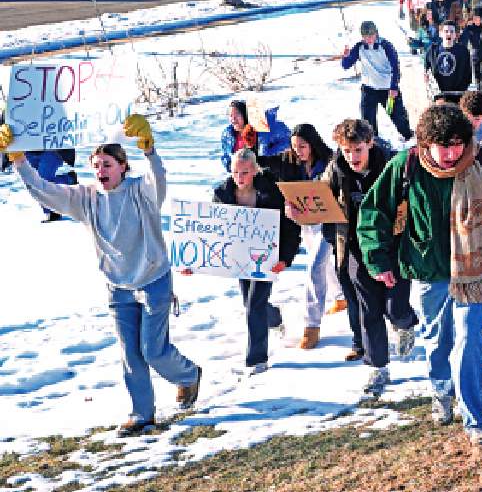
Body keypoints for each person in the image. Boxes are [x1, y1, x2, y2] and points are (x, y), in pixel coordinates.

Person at [357, 105, 482, 444]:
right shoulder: (404, 167)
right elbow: (374, 212)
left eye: (457, 143)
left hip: (474, 267)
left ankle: (476, 418)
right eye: (442, 145)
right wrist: (379, 260)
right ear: (425, 143)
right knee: (438, 340)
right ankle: (440, 388)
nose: (451, 153)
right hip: (428, 268)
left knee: (469, 339)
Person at [0, 116, 202, 435]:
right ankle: (141, 414)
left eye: (107, 164)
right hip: (118, 287)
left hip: (153, 281)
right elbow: (44, 192)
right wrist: (20, 160)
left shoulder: (141, 192)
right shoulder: (87, 198)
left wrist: (149, 150)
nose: (100, 170)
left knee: (153, 350)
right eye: (96, 165)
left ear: (122, 166)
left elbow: (157, 181)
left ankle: (188, 375)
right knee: (130, 354)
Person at [306, 119, 417, 389]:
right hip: (355, 248)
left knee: (395, 306)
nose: (352, 157)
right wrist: (300, 213)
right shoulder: (335, 170)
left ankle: (404, 323)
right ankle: (377, 367)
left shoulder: (391, 165)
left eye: (358, 150)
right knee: (369, 311)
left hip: (393, 245)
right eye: (347, 151)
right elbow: (318, 204)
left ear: (369, 144)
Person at [213, 149, 300, 374]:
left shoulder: (272, 192)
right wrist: (194, 262)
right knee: (250, 304)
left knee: (254, 305)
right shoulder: (222, 194)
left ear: (254, 170)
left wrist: (285, 259)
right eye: (234, 172)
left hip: (266, 257)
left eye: (244, 172)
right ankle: (274, 317)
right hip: (240, 258)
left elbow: (290, 228)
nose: (239, 177)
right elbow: (210, 230)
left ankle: (257, 359)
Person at [258, 124, 343, 350]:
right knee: (323, 264)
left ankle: (311, 325)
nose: (298, 151)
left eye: (302, 146)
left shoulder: (329, 161)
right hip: (302, 222)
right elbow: (260, 163)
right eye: (294, 146)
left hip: (328, 222)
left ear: (312, 144)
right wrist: (251, 142)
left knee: (315, 266)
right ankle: (340, 295)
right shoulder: (287, 161)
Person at [340, 22, 413, 143]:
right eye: (365, 36)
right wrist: (346, 57)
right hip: (368, 89)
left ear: (376, 33)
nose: (368, 39)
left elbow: (395, 67)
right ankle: (373, 144)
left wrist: (394, 86)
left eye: (371, 35)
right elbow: (346, 65)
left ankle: (409, 137)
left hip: (387, 90)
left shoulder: (386, 46)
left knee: (398, 117)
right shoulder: (359, 47)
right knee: (368, 122)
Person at [220, 100, 290, 172]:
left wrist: (269, 154)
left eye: (237, 114)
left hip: (268, 173)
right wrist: (230, 166)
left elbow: (288, 140)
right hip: (241, 176)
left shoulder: (264, 129)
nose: (233, 118)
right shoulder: (228, 135)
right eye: (230, 115)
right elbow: (225, 155)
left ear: (245, 115)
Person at [426, 20, 473, 102]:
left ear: (455, 35)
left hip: (457, 96)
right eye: (446, 31)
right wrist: (434, 92)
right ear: (440, 34)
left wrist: (460, 92)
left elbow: (468, 75)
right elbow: (427, 72)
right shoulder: (432, 50)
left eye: (452, 31)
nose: (449, 34)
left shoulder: (463, 51)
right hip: (438, 97)